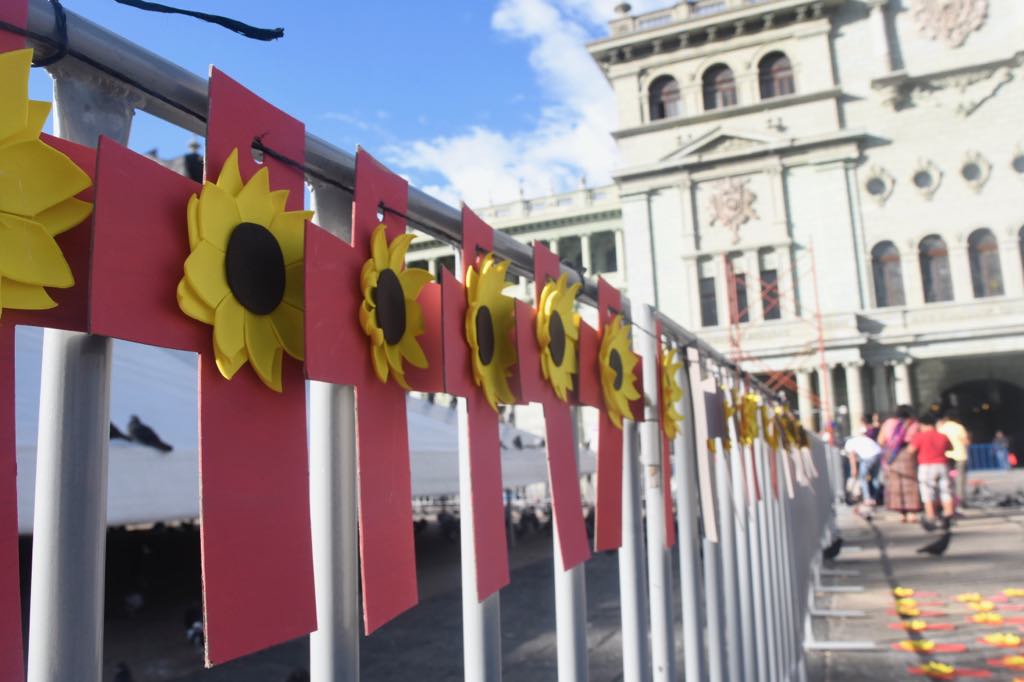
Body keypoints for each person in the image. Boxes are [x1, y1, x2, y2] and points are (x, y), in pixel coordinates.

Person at [907, 413, 954, 530]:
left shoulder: (920, 436)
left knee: (927, 492)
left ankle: (931, 517)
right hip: (943, 465)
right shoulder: (942, 436)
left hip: (926, 466)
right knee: (946, 491)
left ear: (923, 424)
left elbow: (910, 450)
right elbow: (950, 448)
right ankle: (948, 516)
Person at [879, 405, 922, 522]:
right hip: (908, 454)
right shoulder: (914, 424)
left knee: (895, 484)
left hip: (891, 455)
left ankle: (901, 513)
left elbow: (881, 441)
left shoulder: (888, 423)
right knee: (910, 483)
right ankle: (911, 513)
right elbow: (917, 441)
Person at [845, 417, 883, 510]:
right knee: (875, 477)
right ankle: (875, 498)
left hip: (868, 456)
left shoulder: (849, 444)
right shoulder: (859, 439)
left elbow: (852, 457)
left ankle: (867, 498)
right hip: (878, 452)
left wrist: (854, 470)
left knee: (863, 478)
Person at [938, 409, 970, 507]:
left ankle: (949, 502)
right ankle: (961, 501)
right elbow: (966, 442)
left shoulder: (942, 428)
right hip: (960, 456)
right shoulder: (959, 427)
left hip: (946, 456)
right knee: (960, 480)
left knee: (946, 481)